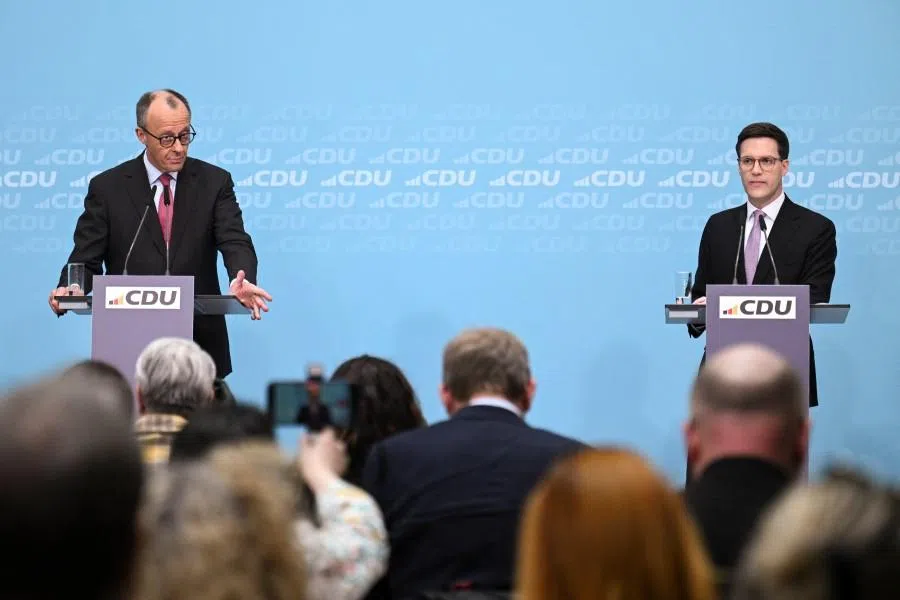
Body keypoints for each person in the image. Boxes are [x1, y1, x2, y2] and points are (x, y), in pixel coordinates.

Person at [48, 89, 272, 379]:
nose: (178, 147)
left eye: (185, 135)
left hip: (198, 344)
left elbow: (235, 240)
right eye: (167, 138)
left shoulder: (214, 182)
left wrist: (241, 278)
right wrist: (72, 287)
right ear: (141, 135)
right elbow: (86, 257)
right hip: (127, 341)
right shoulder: (109, 188)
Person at [689, 122, 837, 409]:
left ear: (784, 166)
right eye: (748, 161)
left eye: (766, 161)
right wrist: (699, 309)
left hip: (784, 371)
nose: (756, 170)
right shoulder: (718, 226)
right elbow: (699, 296)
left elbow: (816, 297)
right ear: (739, 166)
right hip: (721, 371)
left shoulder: (815, 228)